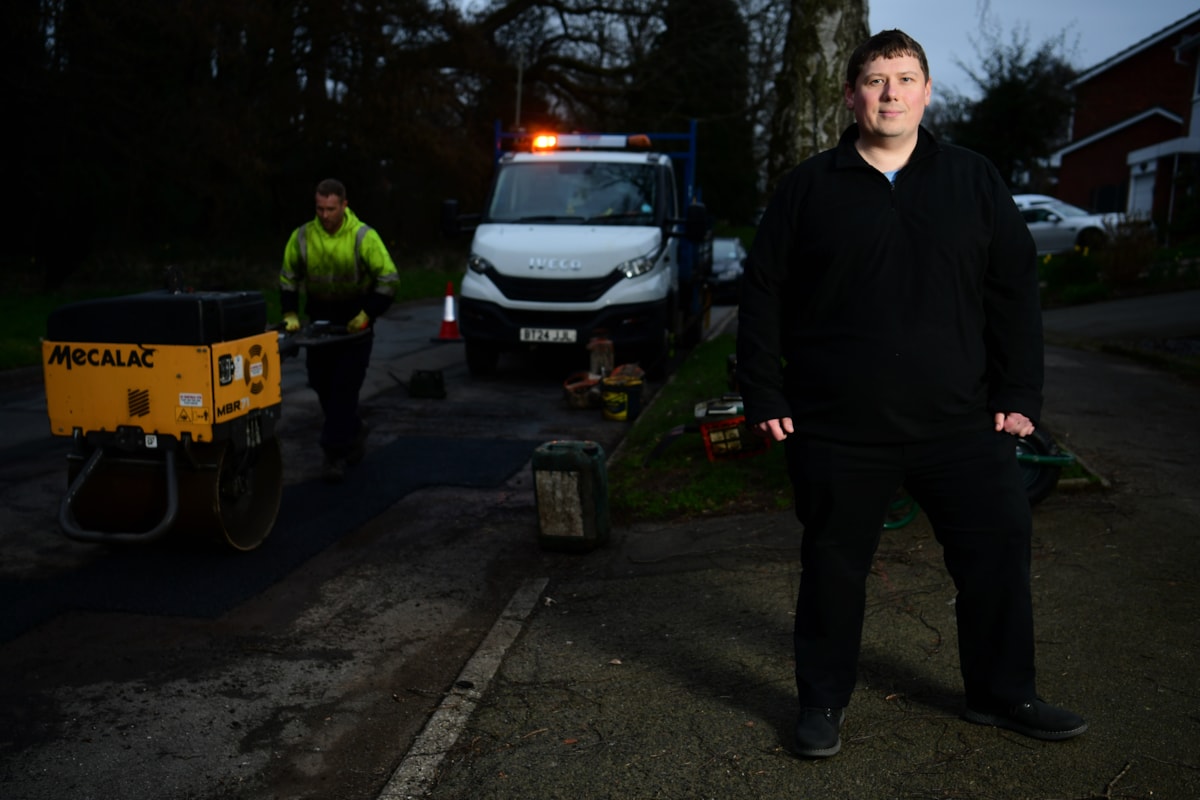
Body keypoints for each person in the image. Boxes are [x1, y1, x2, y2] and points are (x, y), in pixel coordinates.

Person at [736, 29, 1086, 758]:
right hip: (838, 427)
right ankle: (821, 704)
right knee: (834, 569)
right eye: (874, 78)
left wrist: (1021, 392)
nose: (890, 92)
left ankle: (1003, 693)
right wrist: (765, 392)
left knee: (998, 552)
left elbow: (1014, 290)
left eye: (904, 78)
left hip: (962, 422)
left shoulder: (974, 179)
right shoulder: (808, 188)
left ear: (927, 92)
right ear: (851, 94)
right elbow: (763, 294)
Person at [280, 178, 399, 483]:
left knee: (344, 389)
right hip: (320, 321)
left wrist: (368, 313)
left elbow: (388, 278)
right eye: (319, 209)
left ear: (344, 205)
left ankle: (333, 455)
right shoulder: (303, 236)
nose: (325, 215)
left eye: (331, 209)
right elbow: (288, 277)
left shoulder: (363, 236)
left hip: (354, 322)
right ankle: (354, 430)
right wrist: (290, 312)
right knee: (321, 383)